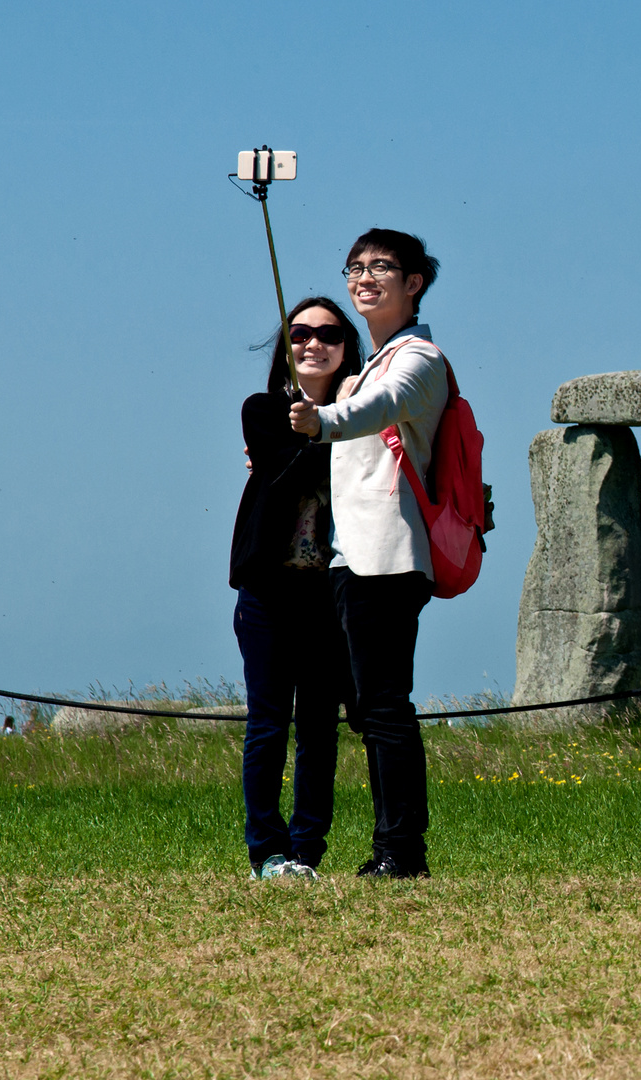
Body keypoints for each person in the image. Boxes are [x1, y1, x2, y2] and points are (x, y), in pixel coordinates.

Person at [290, 229, 447, 879]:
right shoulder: (373, 362)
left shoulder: (417, 359)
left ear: (414, 283)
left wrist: (324, 421)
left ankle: (402, 851)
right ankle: (391, 846)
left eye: (381, 267)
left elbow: (379, 409)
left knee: (383, 708)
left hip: (385, 557)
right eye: (355, 267)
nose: (364, 277)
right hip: (351, 561)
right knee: (369, 710)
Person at [231, 296, 363, 880]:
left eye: (329, 334)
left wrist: (331, 425)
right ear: (285, 346)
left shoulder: (363, 413)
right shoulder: (263, 409)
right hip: (267, 593)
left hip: (328, 594)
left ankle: (307, 850)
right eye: (300, 333)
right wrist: (321, 437)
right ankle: (268, 851)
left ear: (346, 347)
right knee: (267, 724)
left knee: (318, 729)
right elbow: (288, 471)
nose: (313, 343)